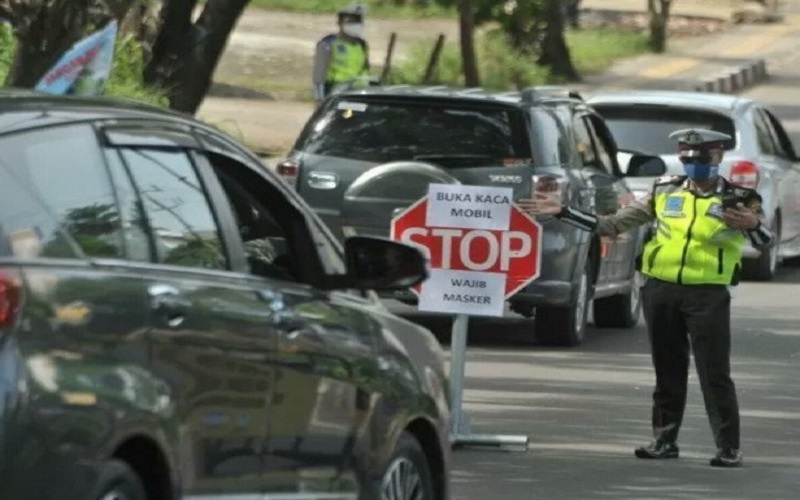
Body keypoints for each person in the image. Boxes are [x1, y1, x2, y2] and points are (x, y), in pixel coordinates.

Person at [519, 129, 774, 468]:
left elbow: (764, 240)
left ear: (717, 158)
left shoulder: (740, 196)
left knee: (714, 373)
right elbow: (611, 225)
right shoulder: (664, 189)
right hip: (661, 290)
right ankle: (664, 440)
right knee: (667, 369)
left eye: (701, 158)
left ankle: (728, 447)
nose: (693, 164)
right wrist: (563, 211)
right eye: (687, 158)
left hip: (707, 295)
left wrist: (753, 223)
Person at [312, 4, 371, 104]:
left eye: (357, 21)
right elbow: (319, 75)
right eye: (350, 21)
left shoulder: (362, 44)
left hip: (359, 93)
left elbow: (365, 68)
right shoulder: (328, 43)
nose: (355, 25)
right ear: (340, 23)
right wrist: (319, 100)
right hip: (335, 93)